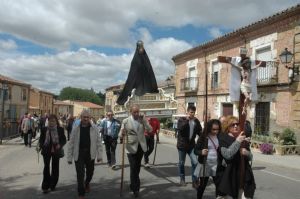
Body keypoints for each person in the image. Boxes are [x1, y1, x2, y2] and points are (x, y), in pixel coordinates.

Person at [216, 115, 255, 199]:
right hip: (230, 175)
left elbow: (251, 157)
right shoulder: (222, 138)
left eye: (237, 124)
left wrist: (247, 153)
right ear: (227, 126)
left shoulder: (242, 137)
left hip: (244, 174)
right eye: (232, 125)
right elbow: (227, 155)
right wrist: (237, 141)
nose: (236, 126)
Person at [67, 110, 103, 199]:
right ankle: (81, 193)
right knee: (80, 174)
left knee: (90, 172)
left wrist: (99, 155)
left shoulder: (94, 128)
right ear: (81, 118)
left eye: (87, 117)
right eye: (84, 117)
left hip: (90, 153)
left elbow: (99, 142)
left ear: (90, 118)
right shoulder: (76, 128)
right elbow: (71, 143)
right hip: (79, 153)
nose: (86, 119)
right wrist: (69, 157)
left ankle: (87, 183)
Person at [119, 104, 152, 197]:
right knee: (133, 167)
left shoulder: (142, 120)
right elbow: (120, 135)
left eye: (138, 111)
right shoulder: (125, 121)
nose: (137, 113)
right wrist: (122, 133)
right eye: (135, 112)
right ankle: (136, 189)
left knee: (137, 168)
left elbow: (150, 130)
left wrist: (145, 121)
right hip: (130, 147)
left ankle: (132, 184)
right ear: (131, 112)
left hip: (141, 147)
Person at [117, 40, 158, 105]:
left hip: (147, 82)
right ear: (138, 47)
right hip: (137, 83)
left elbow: (150, 70)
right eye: (140, 47)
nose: (141, 48)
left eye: (142, 46)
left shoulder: (145, 57)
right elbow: (132, 74)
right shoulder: (135, 59)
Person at [194, 119, 222, 199]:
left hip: (216, 164)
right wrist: (201, 152)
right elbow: (195, 150)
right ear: (209, 128)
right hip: (205, 163)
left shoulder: (220, 136)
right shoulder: (204, 137)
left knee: (219, 185)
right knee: (202, 185)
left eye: (217, 129)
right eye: (214, 129)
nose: (216, 131)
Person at [39, 114, 66, 193]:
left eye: (53, 121)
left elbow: (64, 140)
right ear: (48, 121)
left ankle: (53, 184)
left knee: (55, 168)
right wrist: (41, 146)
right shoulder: (44, 129)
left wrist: (60, 145)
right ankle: (45, 186)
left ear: (56, 122)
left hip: (56, 151)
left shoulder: (60, 129)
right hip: (46, 151)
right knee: (46, 167)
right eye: (50, 121)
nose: (51, 123)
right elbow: (41, 139)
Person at [176, 105, 202, 187]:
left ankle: (194, 180)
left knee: (195, 162)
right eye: (191, 112)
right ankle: (182, 179)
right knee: (181, 163)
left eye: (194, 112)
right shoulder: (181, 120)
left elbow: (200, 132)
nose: (192, 114)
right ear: (187, 112)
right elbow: (181, 128)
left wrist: (204, 136)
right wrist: (187, 120)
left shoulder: (196, 121)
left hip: (191, 146)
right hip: (182, 145)